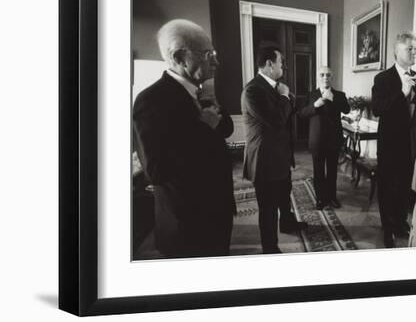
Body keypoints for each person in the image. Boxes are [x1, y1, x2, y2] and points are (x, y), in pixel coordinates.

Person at [133, 19, 236, 258]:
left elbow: (227, 129)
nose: (217, 62)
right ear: (179, 57)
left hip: (218, 212)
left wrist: (215, 119)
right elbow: (157, 171)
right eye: (209, 55)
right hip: (188, 226)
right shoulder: (150, 102)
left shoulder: (201, 91)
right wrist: (203, 129)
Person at [241, 46, 308, 254]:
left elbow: (292, 108)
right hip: (265, 160)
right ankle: (269, 248)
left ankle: (287, 222)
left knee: (284, 195)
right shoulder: (253, 90)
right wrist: (286, 96)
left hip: (279, 156)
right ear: (270, 65)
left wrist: (289, 97)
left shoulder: (275, 87)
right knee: (268, 208)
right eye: (281, 62)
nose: (284, 66)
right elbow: (277, 119)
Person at [372, 32, 416, 248]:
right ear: (397, 51)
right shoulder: (383, 78)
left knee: (404, 187)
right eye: (410, 48)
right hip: (388, 145)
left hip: (409, 143)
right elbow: (377, 109)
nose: (414, 52)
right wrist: (402, 92)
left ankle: (399, 222)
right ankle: (387, 229)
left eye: (415, 48)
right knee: (387, 188)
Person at [299, 66, 350, 210]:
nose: (325, 77)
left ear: (331, 77)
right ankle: (320, 198)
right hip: (316, 139)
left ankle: (332, 197)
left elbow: (347, 109)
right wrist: (315, 105)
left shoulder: (339, 94)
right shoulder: (311, 95)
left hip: (334, 139)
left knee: (333, 171)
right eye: (322, 74)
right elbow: (302, 114)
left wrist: (333, 99)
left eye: (328, 75)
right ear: (318, 77)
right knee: (318, 171)